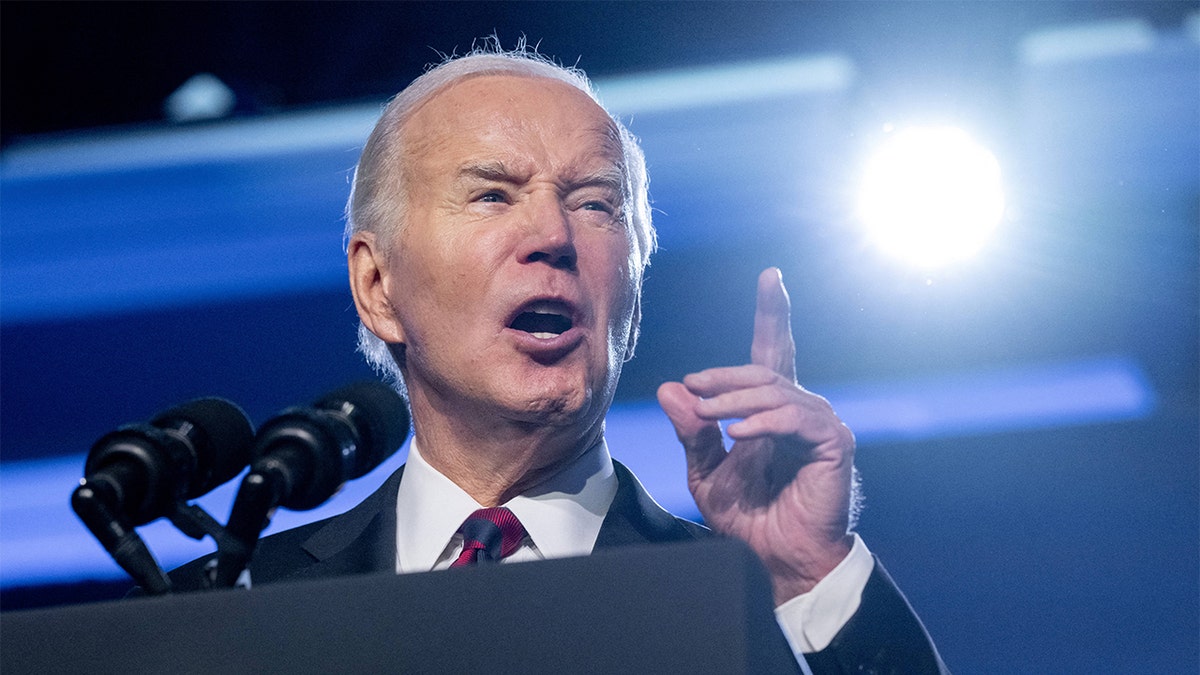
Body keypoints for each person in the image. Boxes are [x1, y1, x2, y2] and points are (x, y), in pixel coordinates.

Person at [172, 46, 946, 673]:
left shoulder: (743, 603)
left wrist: (809, 579)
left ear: (635, 289)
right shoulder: (232, 608)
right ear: (377, 285)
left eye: (594, 204)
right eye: (493, 195)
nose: (552, 234)